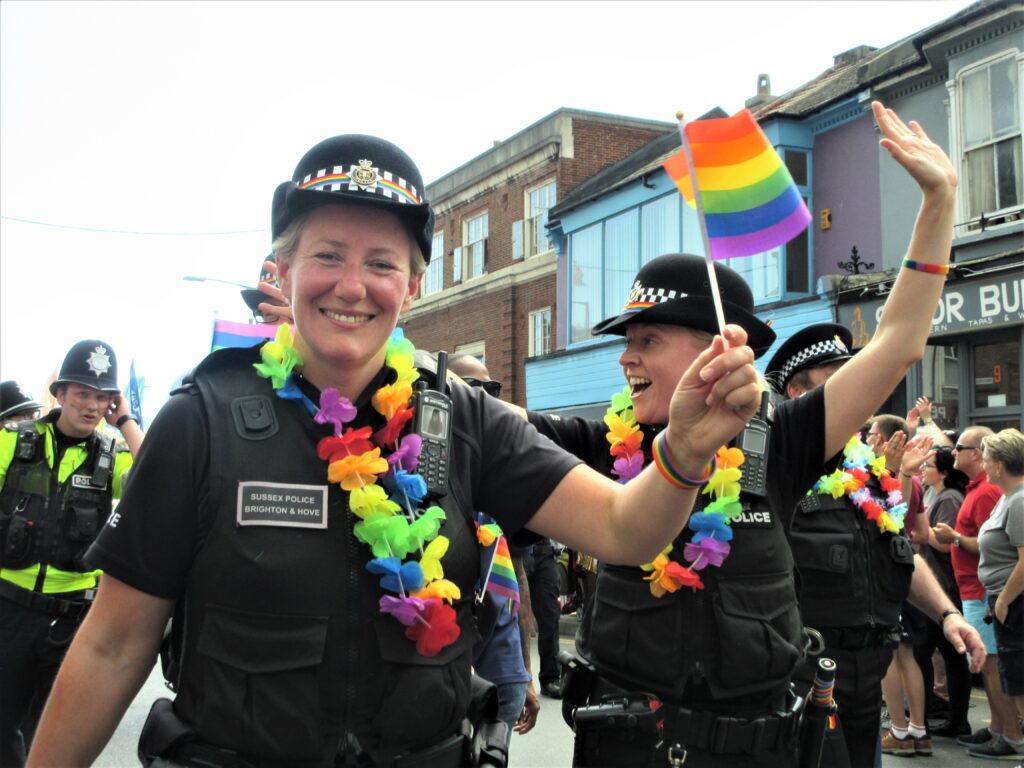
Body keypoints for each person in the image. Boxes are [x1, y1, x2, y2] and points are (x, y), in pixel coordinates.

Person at [26, 134, 761, 768]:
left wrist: (686, 452)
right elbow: (113, 647)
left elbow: (624, 529)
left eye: (381, 263)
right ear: (282, 272)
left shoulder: (467, 421)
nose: (353, 285)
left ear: (411, 288)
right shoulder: (202, 420)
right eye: (328, 255)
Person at [523, 102, 985, 768]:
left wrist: (938, 203)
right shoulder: (598, 447)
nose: (626, 358)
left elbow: (898, 342)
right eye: (627, 341)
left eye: (647, 340)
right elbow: (489, 427)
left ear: (719, 348)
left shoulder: (787, 440)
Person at [768, 332, 977, 766]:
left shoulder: (871, 470)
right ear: (798, 394)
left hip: (868, 676)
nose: (859, 389)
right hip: (804, 674)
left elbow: (900, 552)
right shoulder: (778, 466)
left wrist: (948, 614)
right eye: (841, 377)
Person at [0, 340, 143, 767]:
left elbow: (159, 473)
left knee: (54, 735)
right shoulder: (14, 442)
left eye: (103, 397)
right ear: (58, 393)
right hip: (8, 611)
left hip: (72, 620)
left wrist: (128, 421)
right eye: (82, 393)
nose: (92, 405)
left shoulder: (110, 458)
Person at [447, 353, 540, 748]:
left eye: (491, 388)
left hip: (505, 677)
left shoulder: (497, 476)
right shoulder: (421, 477)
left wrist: (526, 672)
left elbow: (514, 582)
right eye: (473, 388)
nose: (484, 397)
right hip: (453, 682)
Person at [933, 426, 1017, 746]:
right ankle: (999, 728)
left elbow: (997, 546)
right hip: (976, 588)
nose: (953, 452)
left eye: (959, 447)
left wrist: (953, 537)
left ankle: (1007, 732)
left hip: (984, 590)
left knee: (993, 664)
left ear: (979, 454)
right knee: (989, 664)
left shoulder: (988, 493)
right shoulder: (979, 489)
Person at [899, 442, 973, 735]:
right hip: (936, 582)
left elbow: (943, 542)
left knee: (930, 654)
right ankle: (940, 717)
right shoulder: (934, 494)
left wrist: (924, 532)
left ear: (941, 473)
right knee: (934, 654)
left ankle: (939, 719)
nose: (923, 470)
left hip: (942, 586)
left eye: (927, 467)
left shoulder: (950, 498)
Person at [974, 428, 1024, 761]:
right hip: (1004, 599)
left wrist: (1004, 599)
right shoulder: (1008, 498)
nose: (984, 465)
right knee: (1013, 676)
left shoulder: (1019, 501)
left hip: (1016, 602)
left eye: (987, 459)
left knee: (1019, 677)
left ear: (1000, 465)